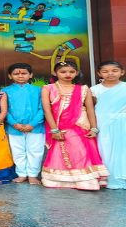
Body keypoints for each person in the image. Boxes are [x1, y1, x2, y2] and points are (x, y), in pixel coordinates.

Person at [41, 61, 108, 190]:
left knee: (81, 151)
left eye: (72, 72)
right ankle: (60, 180)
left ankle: (85, 179)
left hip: (81, 124)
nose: (68, 74)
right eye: (63, 72)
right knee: (61, 152)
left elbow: (90, 109)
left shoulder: (83, 89)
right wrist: (54, 130)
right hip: (59, 125)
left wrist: (94, 128)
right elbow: (47, 110)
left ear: (76, 73)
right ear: (55, 73)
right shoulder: (48, 88)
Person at [91, 61, 126, 190]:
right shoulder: (94, 90)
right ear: (99, 73)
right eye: (105, 71)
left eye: (114, 70)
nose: (110, 74)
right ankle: (110, 178)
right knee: (105, 149)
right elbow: (93, 107)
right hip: (103, 123)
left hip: (125, 123)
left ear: (122, 72)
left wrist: (123, 115)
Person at [2, 63, 45, 185]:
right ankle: (21, 174)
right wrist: (14, 123)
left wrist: (33, 124)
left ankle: (33, 175)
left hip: (35, 127)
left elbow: (43, 109)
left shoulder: (39, 90)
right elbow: (4, 110)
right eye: (16, 73)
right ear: (10, 76)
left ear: (30, 75)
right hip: (14, 128)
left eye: (24, 73)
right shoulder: (4, 91)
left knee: (35, 151)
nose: (20, 76)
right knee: (17, 151)